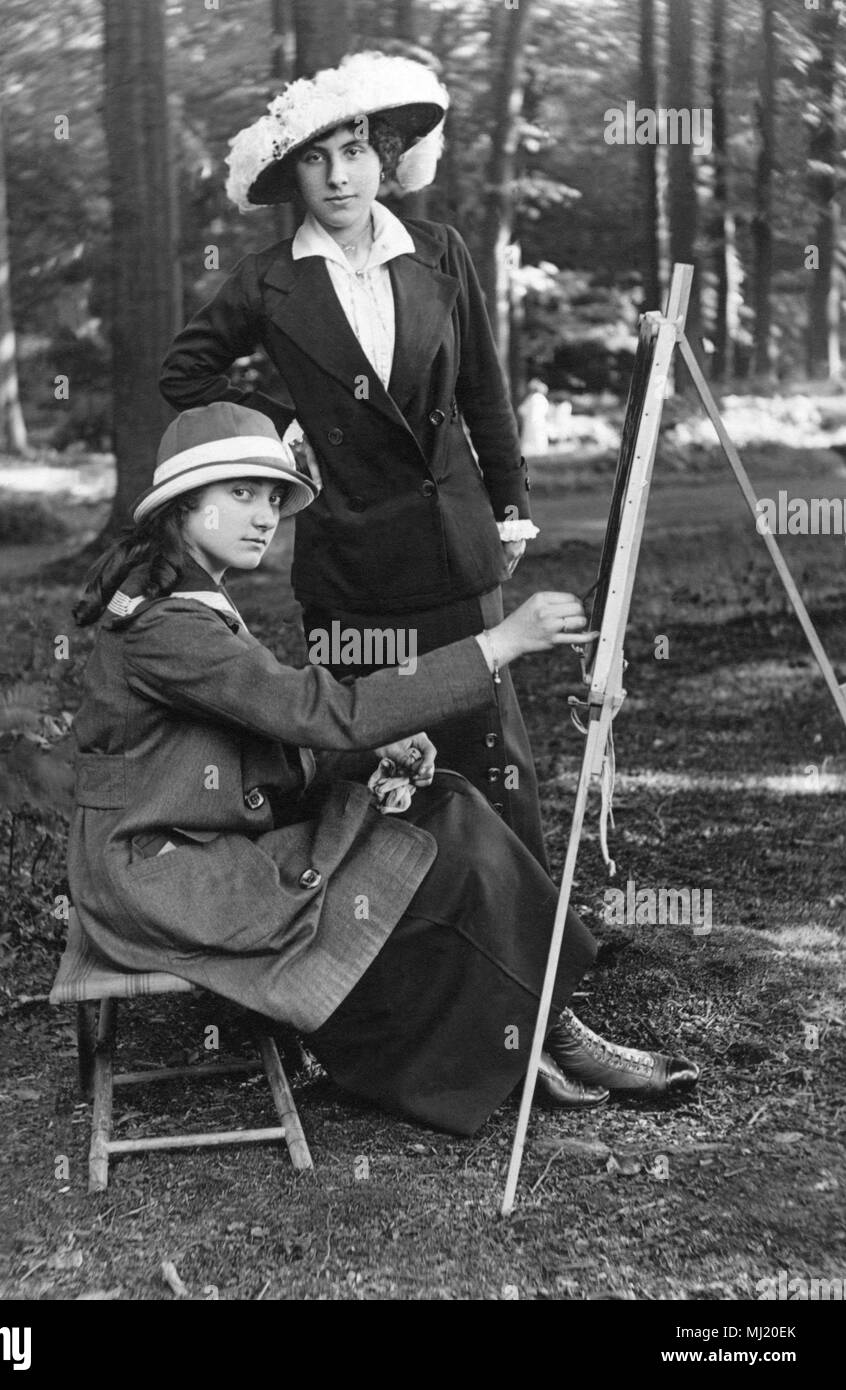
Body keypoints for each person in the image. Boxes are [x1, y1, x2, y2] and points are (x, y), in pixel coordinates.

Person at [68, 403, 699, 1137]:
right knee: (428, 844)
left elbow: (254, 729)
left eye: (274, 497)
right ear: (184, 504)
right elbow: (308, 710)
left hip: (195, 841)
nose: (264, 515)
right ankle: (517, 1041)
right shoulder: (166, 621)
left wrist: (375, 750)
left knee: (447, 806)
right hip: (157, 871)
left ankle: (543, 1029)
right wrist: (496, 644)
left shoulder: (187, 592)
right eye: (240, 494)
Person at [158, 52, 549, 862]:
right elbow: (183, 373)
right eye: (315, 158)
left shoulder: (441, 251)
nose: (339, 177)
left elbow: (484, 389)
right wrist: (284, 432)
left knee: (487, 756)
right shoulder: (268, 280)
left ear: (386, 161)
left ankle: (532, 954)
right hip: (352, 562)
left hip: (455, 546)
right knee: (369, 757)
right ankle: (375, 960)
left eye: (356, 152)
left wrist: (510, 509)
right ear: (293, 177)